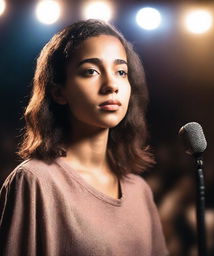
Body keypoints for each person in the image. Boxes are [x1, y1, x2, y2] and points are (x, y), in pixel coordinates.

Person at [0, 19, 169, 256]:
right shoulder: (35, 181)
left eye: (121, 72)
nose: (111, 85)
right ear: (59, 92)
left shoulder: (140, 191)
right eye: (91, 71)